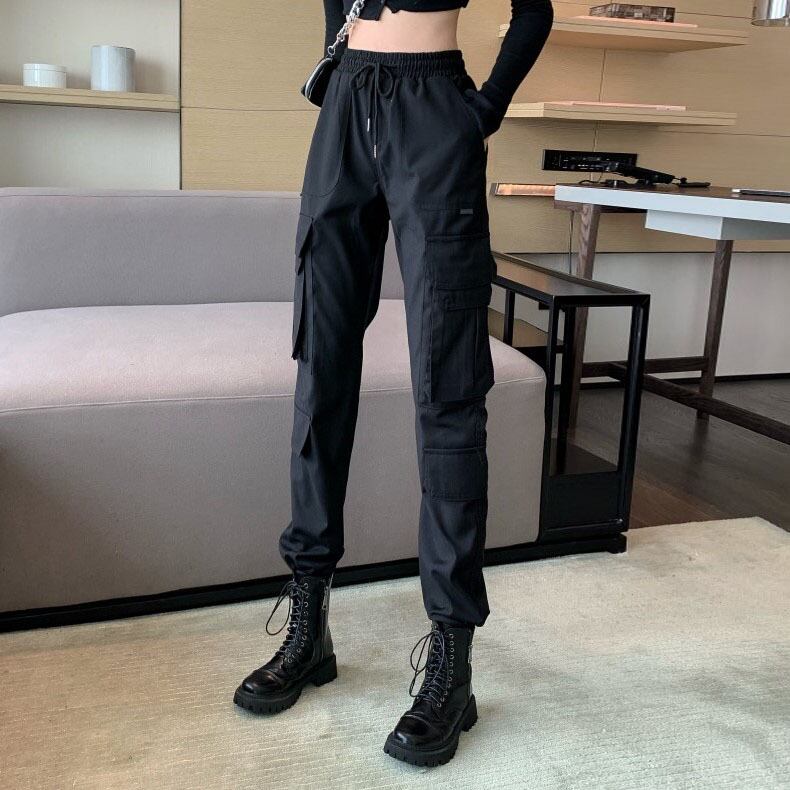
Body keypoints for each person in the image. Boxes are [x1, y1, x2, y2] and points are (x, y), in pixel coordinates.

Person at [235, 0, 553, 767]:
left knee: (448, 384)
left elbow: (534, 11)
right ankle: (308, 627)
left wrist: (481, 112)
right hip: (346, 106)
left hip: (435, 111)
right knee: (322, 372)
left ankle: (452, 664)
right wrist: (336, 63)